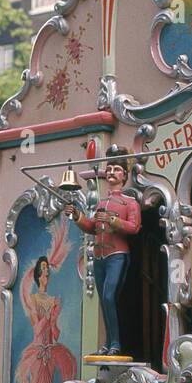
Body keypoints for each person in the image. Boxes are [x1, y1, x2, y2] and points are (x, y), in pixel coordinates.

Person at [16, 220, 77, 383]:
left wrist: (55, 316)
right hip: (38, 353)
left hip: (51, 353)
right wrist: (50, 316)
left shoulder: (52, 300)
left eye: (47, 271)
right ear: (37, 274)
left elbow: (54, 333)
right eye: (41, 271)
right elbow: (38, 329)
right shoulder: (35, 300)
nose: (44, 275)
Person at [75, 149, 141, 357]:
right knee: (104, 300)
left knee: (110, 295)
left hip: (117, 255)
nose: (112, 172)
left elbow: (135, 227)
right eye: (109, 169)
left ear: (124, 175)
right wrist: (77, 216)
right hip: (100, 256)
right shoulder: (101, 203)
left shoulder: (130, 203)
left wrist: (115, 221)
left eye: (117, 169)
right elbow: (91, 227)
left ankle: (116, 343)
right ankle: (109, 343)